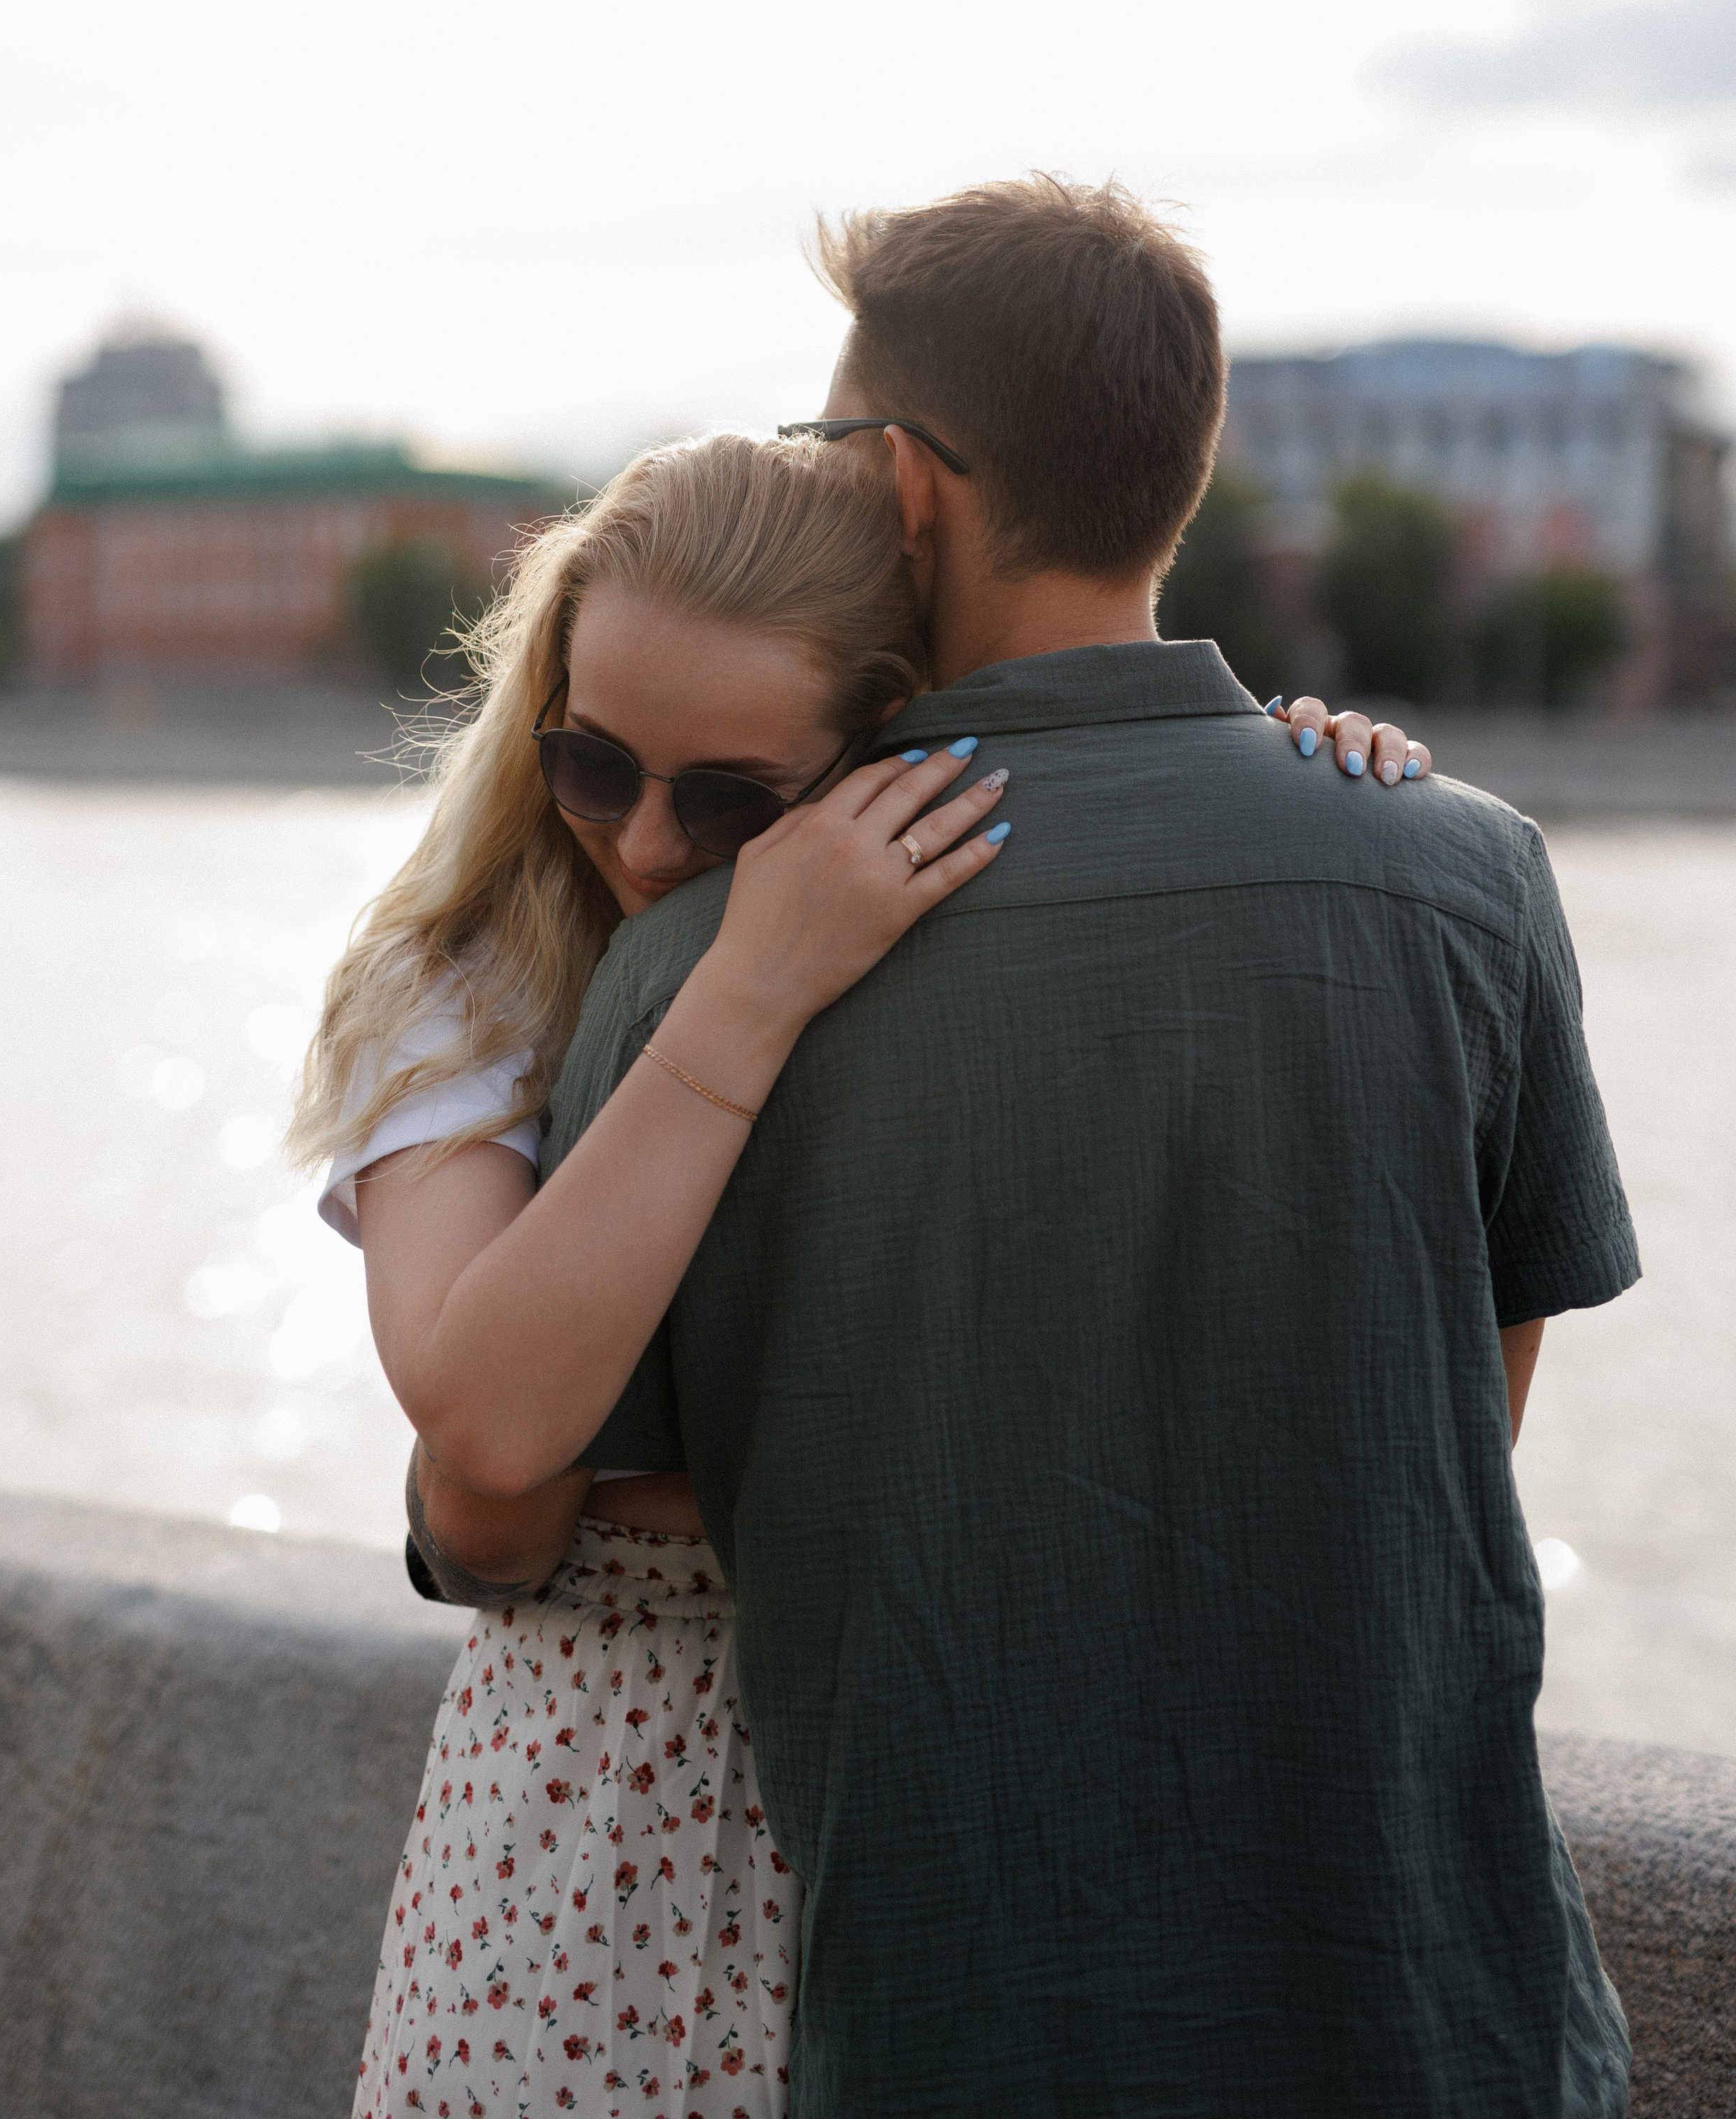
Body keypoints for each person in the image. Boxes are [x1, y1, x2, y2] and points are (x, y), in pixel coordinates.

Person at [529, 178, 1639, 2118]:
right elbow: (1477, 1395)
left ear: (905, 482)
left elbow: (572, 1498)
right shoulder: (1473, 875)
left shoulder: (713, 967)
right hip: (1461, 2030)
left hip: (971, 2023)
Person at [292, 422, 1423, 2119]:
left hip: (995, 1786)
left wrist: (1278, 773)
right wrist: (740, 992)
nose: (651, 844)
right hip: (619, 1808)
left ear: (885, 743)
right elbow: (496, 1427)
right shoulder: (462, 980)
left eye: (733, 795)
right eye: (593, 763)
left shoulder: (973, 908)